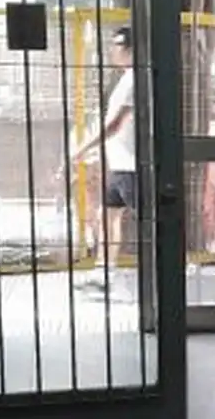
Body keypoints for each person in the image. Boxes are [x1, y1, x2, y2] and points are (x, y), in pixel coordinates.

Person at [71, 26, 138, 268]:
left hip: (133, 165)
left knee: (149, 220)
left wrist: (83, 148)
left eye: (117, 44)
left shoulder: (136, 80)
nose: (112, 50)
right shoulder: (125, 79)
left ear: (130, 48)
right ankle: (104, 266)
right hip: (120, 163)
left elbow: (115, 124)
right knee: (107, 215)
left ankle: (168, 268)